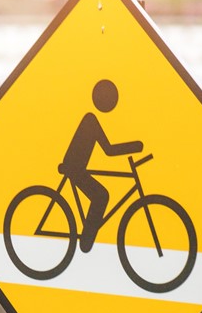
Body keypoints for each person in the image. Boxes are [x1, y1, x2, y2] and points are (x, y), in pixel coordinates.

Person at [59, 79, 143, 252]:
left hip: (78, 167)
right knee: (102, 195)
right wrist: (134, 146)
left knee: (101, 194)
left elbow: (108, 150)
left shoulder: (92, 119)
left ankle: (87, 238)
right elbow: (109, 150)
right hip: (74, 167)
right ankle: (86, 242)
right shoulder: (91, 120)